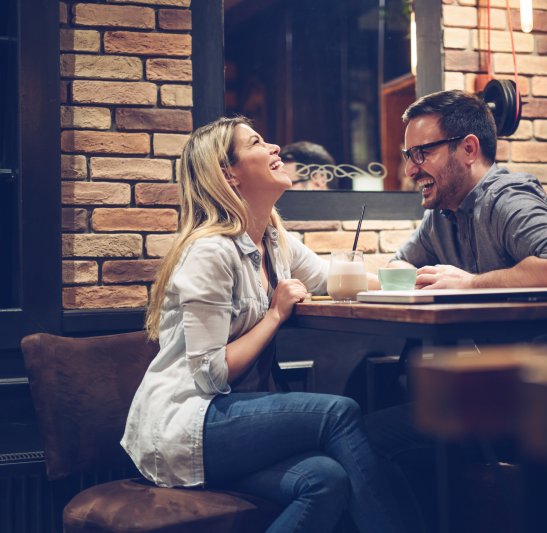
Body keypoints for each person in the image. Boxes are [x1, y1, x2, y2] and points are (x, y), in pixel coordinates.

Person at [121, 116, 424, 533]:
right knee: (338, 413)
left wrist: (414, 279)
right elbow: (211, 374)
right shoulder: (211, 252)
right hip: (188, 422)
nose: (275, 149)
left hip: (232, 421)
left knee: (325, 480)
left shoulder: (275, 240)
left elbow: (332, 279)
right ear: (228, 172)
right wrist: (276, 314)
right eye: (258, 143)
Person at [366, 90, 547, 532]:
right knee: (367, 436)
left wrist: (468, 284)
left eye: (421, 152)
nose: (410, 169)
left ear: (468, 148)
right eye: (409, 155)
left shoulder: (508, 197)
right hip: (506, 388)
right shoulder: (442, 216)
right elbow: (399, 265)